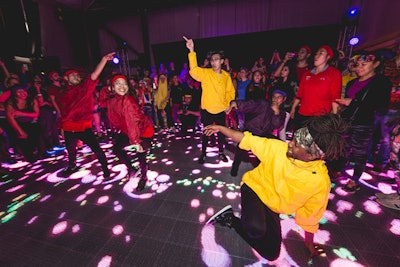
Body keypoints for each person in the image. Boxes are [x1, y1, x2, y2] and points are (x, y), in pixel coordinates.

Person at [204, 113, 347, 261]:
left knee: (272, 254)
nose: (290, 143)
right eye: (293, 139)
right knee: (255, 229)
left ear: (310, 156)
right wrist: (220, 128)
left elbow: (311, 214)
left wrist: (309, 243)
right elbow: (246, 139)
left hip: (273, 207)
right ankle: (239, 222)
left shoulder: (319, 181)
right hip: (254, 189)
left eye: (296, 145)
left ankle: (229, 218)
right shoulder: (278, 148)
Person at [336, 51, 392, 193]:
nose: (359, 67)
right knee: (343, 148)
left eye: (364, 64)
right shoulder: (351, 82)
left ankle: (354, 180)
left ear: (376, 64)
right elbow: (348, 103)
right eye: (358, 65)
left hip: (364, 122)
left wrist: (353, 102)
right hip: (347, 121)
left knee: (360, 152)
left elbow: (380, 103)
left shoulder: (381, 82)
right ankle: (337, 170)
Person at [58, 52, 115, 178]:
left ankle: (105, 168)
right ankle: (72, 166)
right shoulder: (63, 93)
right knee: (71, 151)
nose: (76, 76)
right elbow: (64, 112)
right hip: (68, 127)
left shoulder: (85, 87)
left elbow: (94, 75)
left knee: (96, 148)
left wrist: (104, 60)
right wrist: (62, 127)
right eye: (72, 75)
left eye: (77, 75)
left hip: (83, 126)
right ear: (66, 78)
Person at [183, 36, 235, 164]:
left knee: (221, 134)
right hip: (207, 110)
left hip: (220, 110)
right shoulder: (206, 73)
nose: (214, 62)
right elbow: (194, 71)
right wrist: (191, 51)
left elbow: (230, 92)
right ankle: (204, 153)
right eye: (212, 60)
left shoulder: (226, 77)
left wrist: (228, 105)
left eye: (216, 59)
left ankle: (221, 153)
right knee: (206, 133)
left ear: (222, 61)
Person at [107, 74, 154, 191]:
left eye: (124, 84)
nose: (122, 86)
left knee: (141, 155)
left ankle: (144, 177)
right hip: (128, 131)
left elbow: (132, 122)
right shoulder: (113, 100)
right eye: (118, 83)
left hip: (142, 131)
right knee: (117, 149)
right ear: (112, 87)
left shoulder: (127, 100)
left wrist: (136, 142)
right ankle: (131, 168)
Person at [227, 89, 286, 176]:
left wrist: (276, 113)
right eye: (274, 97)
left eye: (279, 97)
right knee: (240, 149)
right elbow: (250, 104)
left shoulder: (282, 113)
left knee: (268, 150)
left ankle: (260, 171)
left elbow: (277, 126)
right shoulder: (264, 104)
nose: (275, 100)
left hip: (264, 134)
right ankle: (235, 166)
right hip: (251, 130)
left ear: (284, 99)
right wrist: (236, 103)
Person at [290, 45, 342, 131]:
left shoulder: (334, 73)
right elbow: (300, 93)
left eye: (321, 53)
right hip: (302, 115)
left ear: (328, 57)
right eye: (316, 54)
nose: (316, 56)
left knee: (313, 143)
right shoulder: (307, 74)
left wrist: (335, 118)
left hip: (319, 117)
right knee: (299, 142)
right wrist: (293, 108)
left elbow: (335, 97)